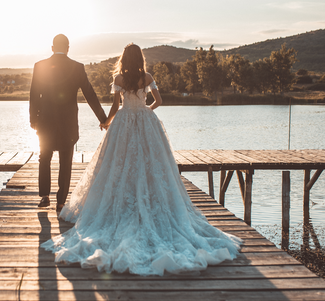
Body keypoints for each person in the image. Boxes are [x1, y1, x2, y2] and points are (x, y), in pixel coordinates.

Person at [40, 43, 242, 276]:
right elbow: (159, 100)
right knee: (150, 165)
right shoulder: (146, 77)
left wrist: (106, 122)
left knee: (118, 164)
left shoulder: (119, 78)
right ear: (140, 59)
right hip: (145, 122)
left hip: (124, 123)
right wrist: (147, 110)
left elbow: (116, 105)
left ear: (124, 60)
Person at [29, 34, 108, 213]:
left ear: (52, 47)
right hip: (68, 123)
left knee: (44, 158)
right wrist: (102, 118)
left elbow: (34, 94)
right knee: (66, 161)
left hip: (45, 122)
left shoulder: (40, 66)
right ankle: (61, 202)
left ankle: (44, 196)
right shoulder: (77, 67)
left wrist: (33, 119)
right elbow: (90, 94)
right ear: (68, 48)